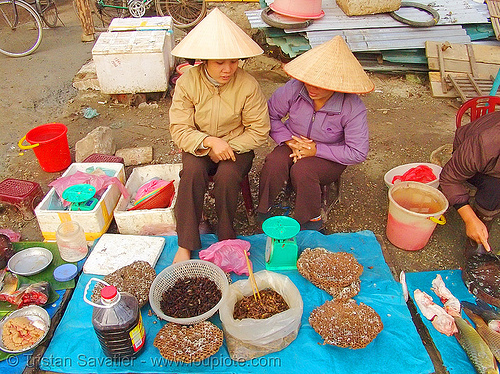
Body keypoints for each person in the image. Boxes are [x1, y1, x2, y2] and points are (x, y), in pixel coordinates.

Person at [169, 8, 270, 263]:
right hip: (198, 144)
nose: (228, 69)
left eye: (233, 62)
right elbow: (179, 128)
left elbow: (259, 130)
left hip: (237, 145)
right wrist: (208, 142)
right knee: (191, 173)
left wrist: (226, 145)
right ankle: (186, 242)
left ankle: (226, 234)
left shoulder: (247, 85)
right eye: (220, 62)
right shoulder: (187, 82)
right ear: (204, 60)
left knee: (227, 175)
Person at [256, 36, 374, 230]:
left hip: (330, 155)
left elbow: (358, 151)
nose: (311, 88)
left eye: (320, 85)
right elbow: (269, 115)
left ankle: (310, 219)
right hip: (294, 140)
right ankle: (263, 209)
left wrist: (316, 150)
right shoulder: (294, 88)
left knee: (303, 170)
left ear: (337, 85)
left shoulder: (352, 107)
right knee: (274, 163)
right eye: (309, 81)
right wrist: (288, 140)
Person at [439, 110, 500, 306]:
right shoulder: (486, 143)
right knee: (493, 190)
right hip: (471, 159)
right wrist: (470, 218)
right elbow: (449, 178)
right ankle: (477, 240)